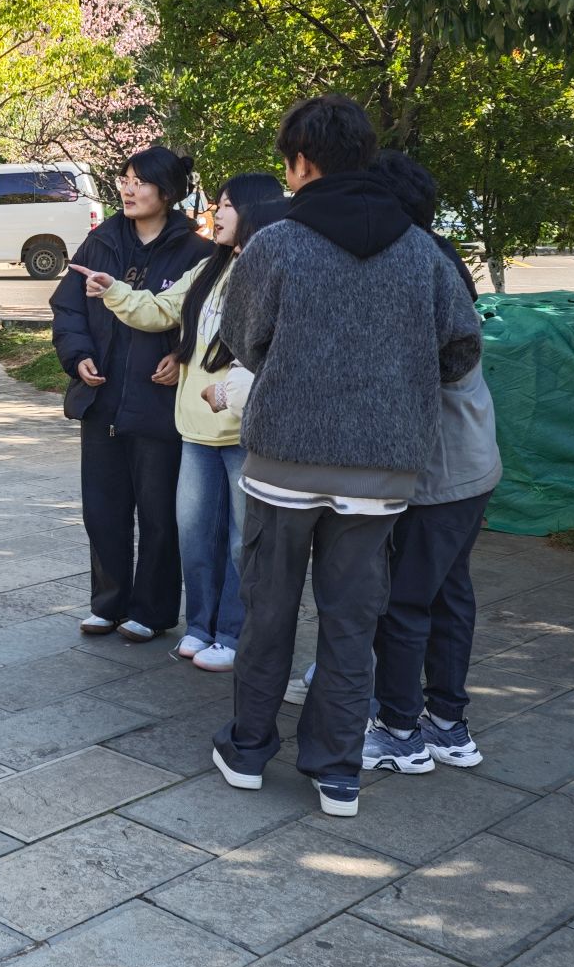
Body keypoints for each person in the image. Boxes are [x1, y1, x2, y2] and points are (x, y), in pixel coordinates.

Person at [210, 96, 483, 818]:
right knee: (352, 622)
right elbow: (461, 348)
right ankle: (336, 771)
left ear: (302, 162)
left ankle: (248, 749)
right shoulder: (422, 251)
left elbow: (242, 339)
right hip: (381, 470)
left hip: (284, 463)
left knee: (269, 611)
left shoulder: (276, 244)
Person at [80, 172, 288, 671]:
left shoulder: (272, 269)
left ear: (255, 210)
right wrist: (114, 291)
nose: (216, 213)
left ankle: (233, 634)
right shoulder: (211, 267)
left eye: (227, 205)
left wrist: (229, 392)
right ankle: (200, 626)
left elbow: (272, 352)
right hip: (194, 428)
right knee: (195, 538)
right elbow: (161, 310)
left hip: (243, 432)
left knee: (240, 543)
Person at [362, 150, 502, 775]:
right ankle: (446, 723)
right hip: (469, 463)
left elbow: (439, 363)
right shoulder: (438, 255)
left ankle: (399, 731)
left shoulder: (417, 265)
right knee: (448, 594)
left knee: (405, 602)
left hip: (438, 471)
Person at [51, 145, 212, 643]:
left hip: (158, 405)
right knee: (103, 510)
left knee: (159, 514)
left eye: (140, 181)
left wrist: (182, 356)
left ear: (168, 191)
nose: (128, 188)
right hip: (101, 400)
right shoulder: (100, 241)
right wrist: (78, 356)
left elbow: (209, 322)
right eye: (125, 178)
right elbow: (68, 309)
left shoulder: (196, 252)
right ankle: (108, 603)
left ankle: (152, 610)